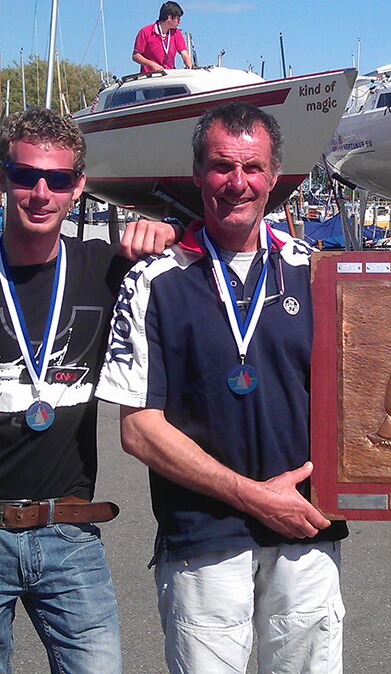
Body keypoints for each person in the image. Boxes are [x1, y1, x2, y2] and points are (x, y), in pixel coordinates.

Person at [0, 107, 178, 673]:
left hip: (70, 531)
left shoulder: (108, 270)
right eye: (26, 176)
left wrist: (166, 230)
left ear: (78, 188)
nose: (40, 192)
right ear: (2, 178)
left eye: (59, 179)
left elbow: (198, 254)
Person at [95, 101, 349, 674]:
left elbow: (377, 398)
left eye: (253, 168)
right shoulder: (153, 280)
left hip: (306, 531)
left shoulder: (320, 276)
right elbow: (138, 430)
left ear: (275, 177)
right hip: (202, 539)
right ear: (197, 175)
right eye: (221, 166)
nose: (238, 182)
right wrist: (252, 495)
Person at [132, 0, 194, 73]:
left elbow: (184, 53)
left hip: (169, 76)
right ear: (169, 18)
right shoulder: (145, 32)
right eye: (178, 19)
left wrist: (190, 68)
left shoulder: (177, 33)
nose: (180, 22)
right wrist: (152, 64)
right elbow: (136, 56)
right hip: (150, 77)